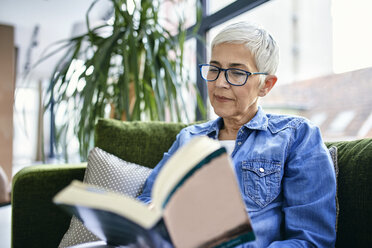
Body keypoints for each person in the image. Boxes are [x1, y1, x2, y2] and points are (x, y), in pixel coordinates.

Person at [138, 22, 336, 247]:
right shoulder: (188, 138)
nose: (220, 83)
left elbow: (310, 240)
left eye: (237, 72)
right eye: (214, 69)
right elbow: (148, 201)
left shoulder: (297, 136)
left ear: (266, 85)